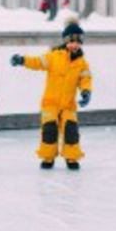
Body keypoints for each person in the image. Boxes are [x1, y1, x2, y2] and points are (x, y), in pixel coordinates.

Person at [9, 18, 93, 170]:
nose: (74, 45)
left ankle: (71, 157)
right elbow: (37, 62)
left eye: (78, 42)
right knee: (49, 130)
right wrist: (22, 60)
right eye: (71, 41)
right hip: (50, 103)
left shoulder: (82, 63)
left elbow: (85, 78)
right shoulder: (53, 56)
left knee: (71, 130)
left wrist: (86, 92)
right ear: (66, 41)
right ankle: (48, 157)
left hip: (68, 105)